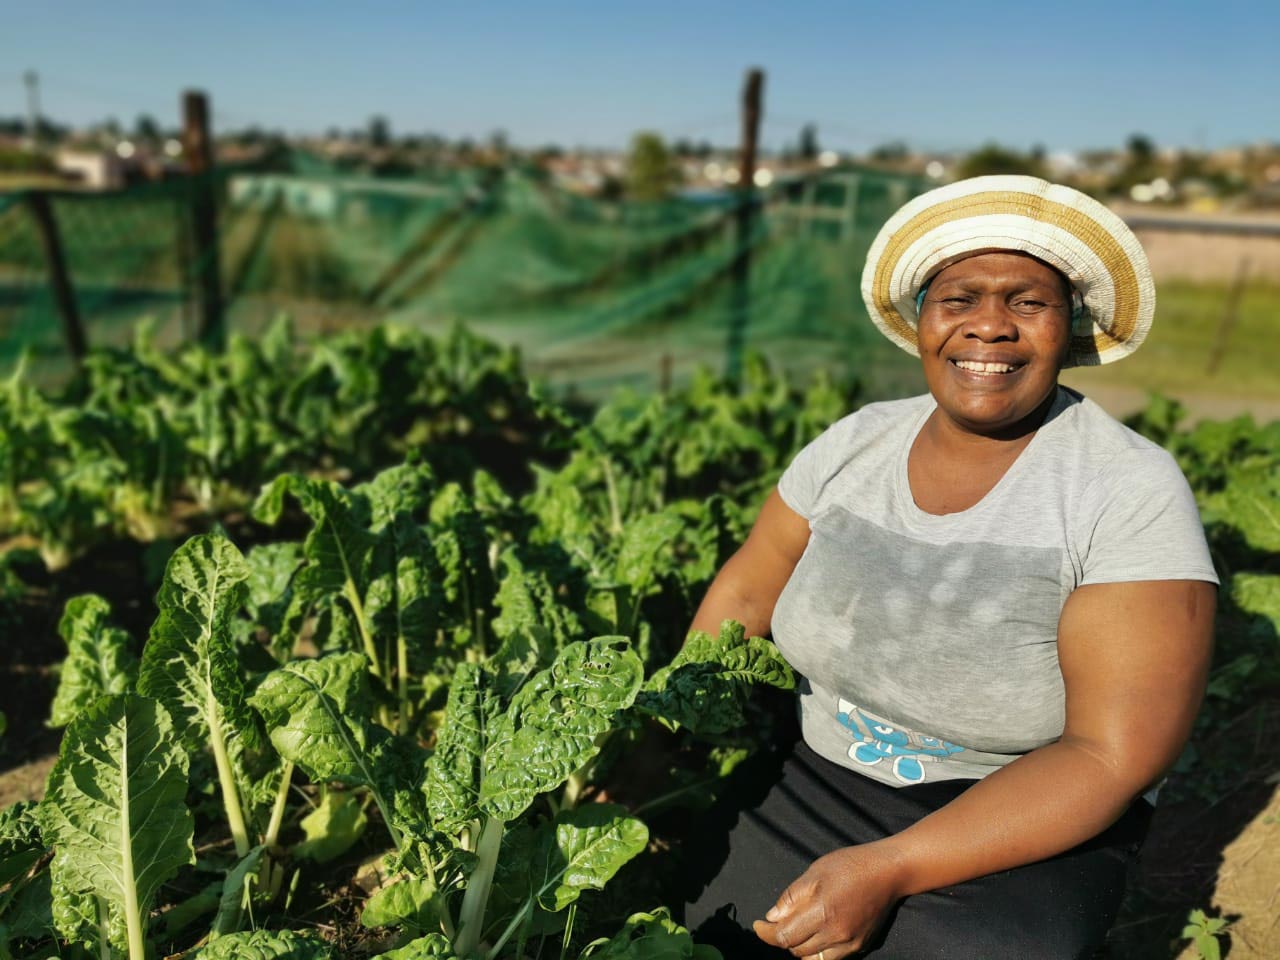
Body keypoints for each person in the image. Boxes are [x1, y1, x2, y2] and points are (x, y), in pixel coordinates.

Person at [681, 175, 1218, 960]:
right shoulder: (856, 443)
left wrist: (891, 867)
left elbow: (1111, 755)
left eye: (1028, 302)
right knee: (703, 925)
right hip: (817, 771)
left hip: (1024, 814)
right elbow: (747, 587)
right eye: (959, 299)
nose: (989, 326)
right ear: (924, 320)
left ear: (1069, 325)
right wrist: (669, 726)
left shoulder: (1126, 489)